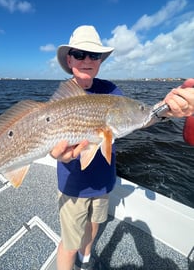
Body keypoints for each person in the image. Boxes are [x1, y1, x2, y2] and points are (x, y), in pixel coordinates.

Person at [49, 25, 194, 270]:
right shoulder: (62, 98)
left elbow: (138, 118)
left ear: (100, 61)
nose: (87, 60)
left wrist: (165, 109)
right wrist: (57, 154)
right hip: (73, 186)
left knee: (94, 225)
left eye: (94, 55)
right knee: (69, 242)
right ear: (69, 58)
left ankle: (85, 262)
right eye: (80, 54)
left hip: (104, 181)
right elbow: (51, 142)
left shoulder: (111, 91)